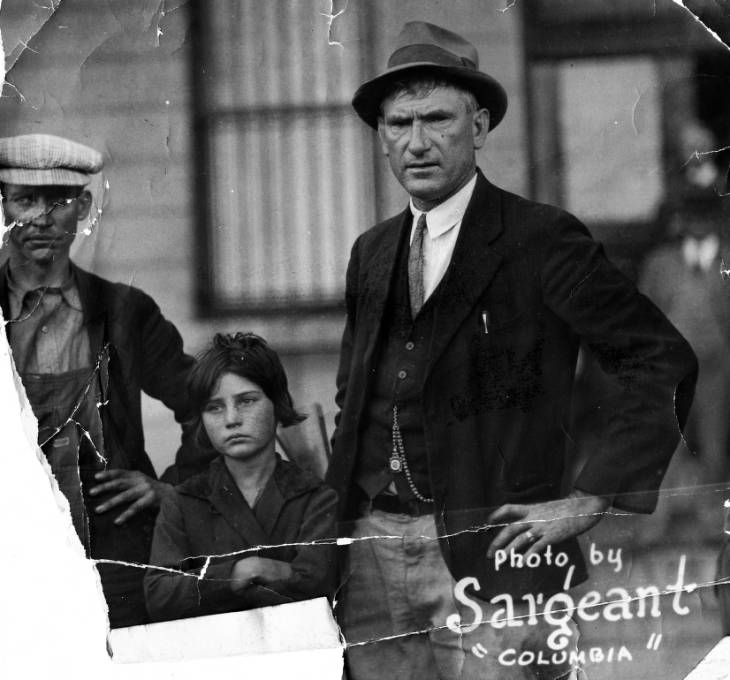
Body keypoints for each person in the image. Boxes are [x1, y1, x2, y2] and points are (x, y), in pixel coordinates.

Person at [326, 22, 698, 680]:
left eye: (436, 119)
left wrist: (589, 498)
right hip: (370, 561)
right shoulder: (370, 253)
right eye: (397, 123)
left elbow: (659, 361)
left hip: (498, 557)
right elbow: (356, 398)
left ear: (480, 126)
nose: (415, 142)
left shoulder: (541, 239)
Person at [0, 133, 196, 628]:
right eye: (25, 200)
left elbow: (205, 401)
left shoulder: (125, 312)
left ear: (84, 207)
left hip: (114, 556)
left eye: (59, 201)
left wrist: (170, 489)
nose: (42, 218)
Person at [144, 332, 338, 622]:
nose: (231, 419)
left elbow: (320, 584)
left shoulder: (314, 497)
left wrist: (211, 584)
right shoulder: (183, 501)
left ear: (277, 402)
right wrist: (238, 573)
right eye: (215, 407)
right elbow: (159, 594)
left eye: (246, 401)